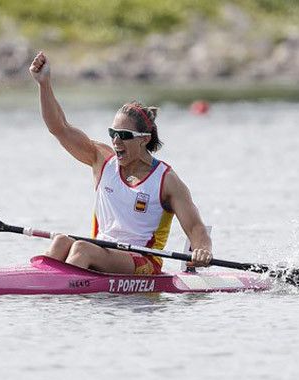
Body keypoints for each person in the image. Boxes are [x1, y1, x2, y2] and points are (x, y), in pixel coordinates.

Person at [29, 51, 213, 274]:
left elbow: (196, 228)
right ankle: (39, 291)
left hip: (143, 262)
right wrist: (44, 83)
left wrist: (202, 250)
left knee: (82, 249)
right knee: (60, 241)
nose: (116, 141)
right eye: (112, 133)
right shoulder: (101, 159)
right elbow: (59, 127)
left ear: (144, 139)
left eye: (124, 135)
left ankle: (67, 302)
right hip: (102, 250)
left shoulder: (166, 180)